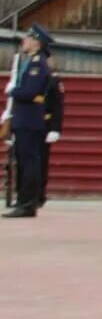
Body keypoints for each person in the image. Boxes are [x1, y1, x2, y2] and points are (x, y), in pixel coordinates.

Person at [3, 25, 63, 218]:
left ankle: (28, 203)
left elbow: (30, 92)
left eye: (28, 39)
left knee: (29, 163)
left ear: (36, 42)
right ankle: (23, 201)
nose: (24, 42)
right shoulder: (29, 62)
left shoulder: (38, 64)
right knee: (23, 162)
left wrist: (13, 90)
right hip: (23, 118)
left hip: (29, 120)